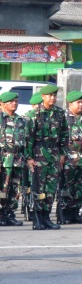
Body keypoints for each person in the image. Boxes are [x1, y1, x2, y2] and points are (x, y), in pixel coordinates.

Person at [27, 84, 69, 230]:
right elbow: (29, 138)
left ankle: (46, 216)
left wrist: (63, 153)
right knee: (39, 187)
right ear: (43, 97)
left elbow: (64, 135)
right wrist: (29, 157)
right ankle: (37, 217)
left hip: (54, 154)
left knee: (51, 188)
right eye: (49, 95)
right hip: (39, 153)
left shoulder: (59, 113)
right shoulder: (34, 114)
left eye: (54, 95)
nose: (52, 98)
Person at [62, 90, 82, 225]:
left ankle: (75, 213)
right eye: (78, 102)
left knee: (81, 189)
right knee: (67, 188)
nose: (81, 105)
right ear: (70, 104)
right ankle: (64, 213)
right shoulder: (64, 119)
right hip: (69, 160)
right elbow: (60, 140)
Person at [0, 90, 29, 227]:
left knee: (15, 190)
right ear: (2, 104)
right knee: (2, 189)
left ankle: (10, 214)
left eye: (16, 101)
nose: (14, 103)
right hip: (3, 160)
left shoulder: (21, 120)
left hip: (18, 159)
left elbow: (27, 142)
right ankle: (1, 214)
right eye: (11, 101)